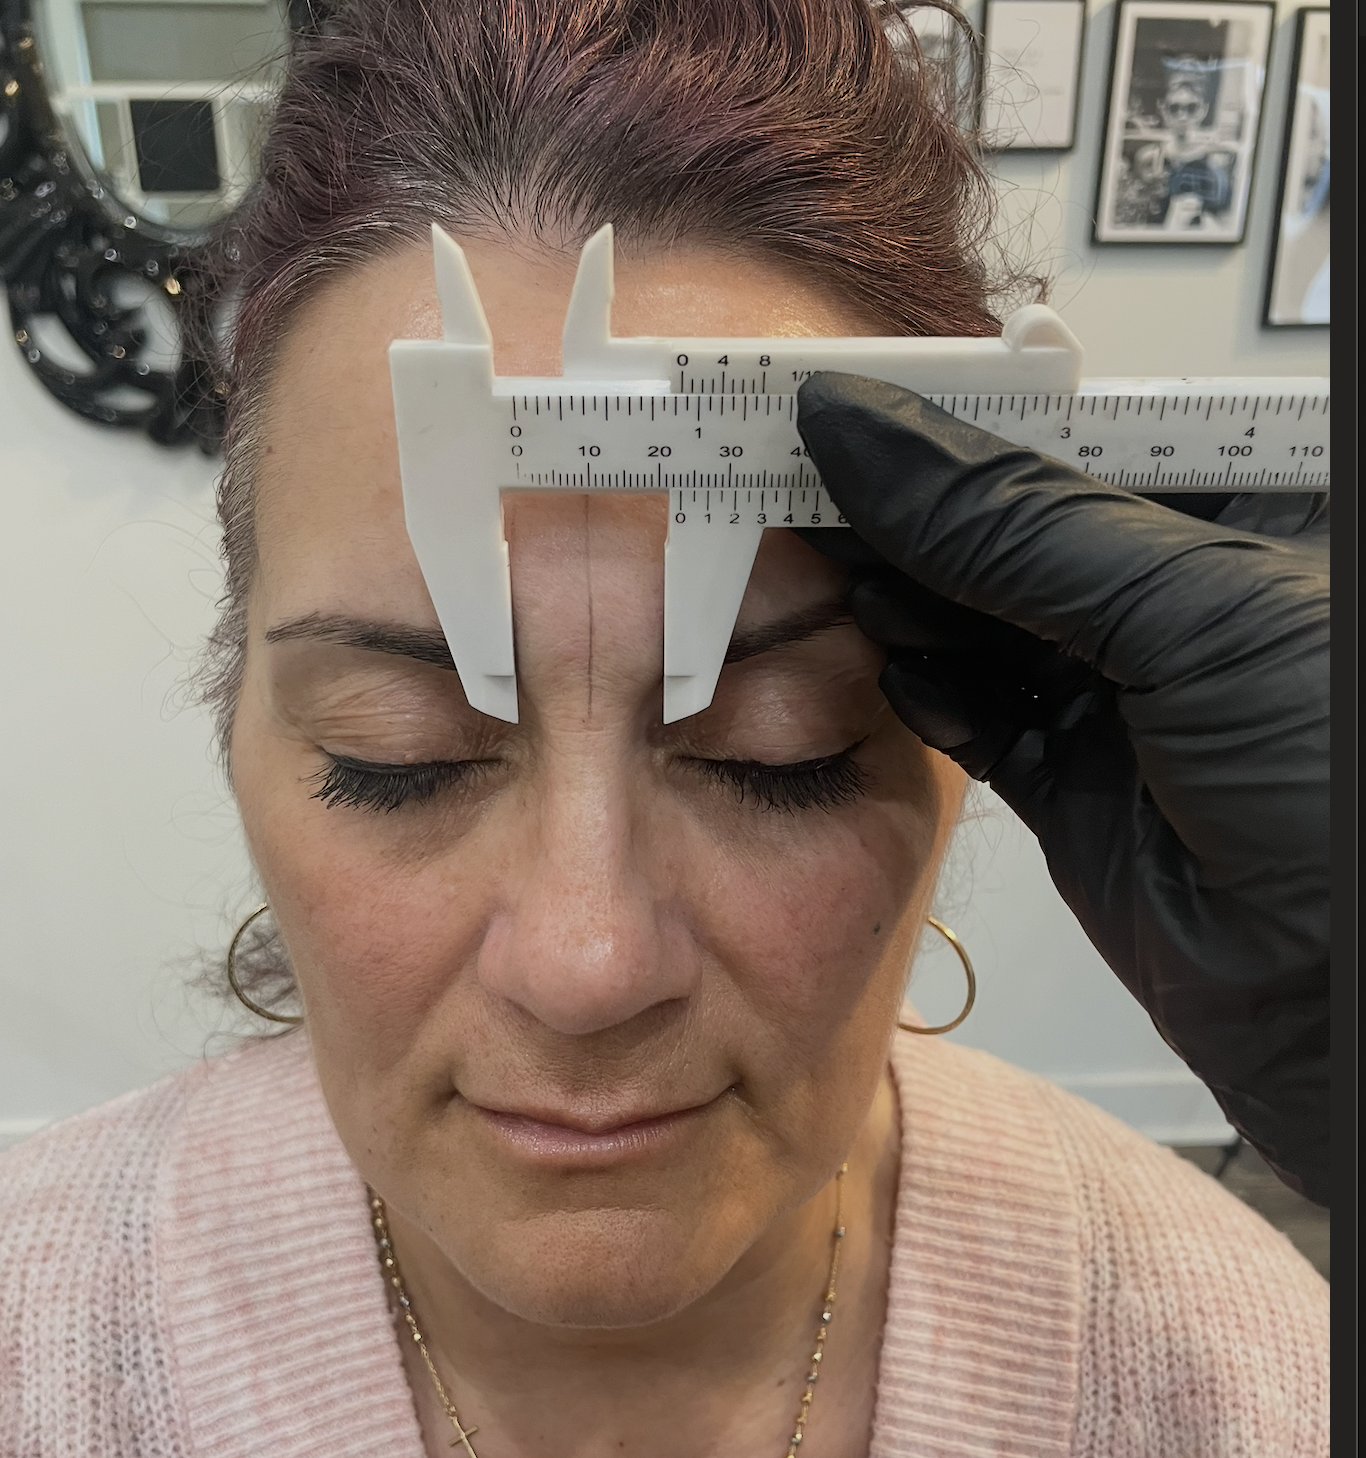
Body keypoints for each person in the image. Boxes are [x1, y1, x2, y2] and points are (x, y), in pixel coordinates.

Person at [0, 3, 1328, 1455]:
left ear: (956, 754)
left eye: (782, 750)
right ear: (238, 723)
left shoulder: (1238, 1375)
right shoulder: (34, 1341)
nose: (589, 963)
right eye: (399, 757)